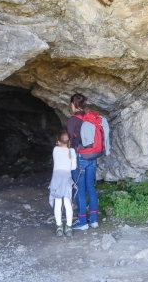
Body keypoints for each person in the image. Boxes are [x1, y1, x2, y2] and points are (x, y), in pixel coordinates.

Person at [67, 93, 99, 230]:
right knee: (90, 187)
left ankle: (82, 222)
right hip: (93, 157)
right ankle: (94, 220)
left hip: (80, 158)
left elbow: (69, 141)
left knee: (80, 189)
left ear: (72, 105)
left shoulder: (72, 120)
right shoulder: (90, 119)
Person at [48, 131, 76, 237]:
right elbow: (73, 167)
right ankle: (69, 227)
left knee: (58, 203)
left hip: (56, 179)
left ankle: (59, 226)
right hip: (67, 179)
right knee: (67, 203)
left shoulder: (55, 150)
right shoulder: (72, 151)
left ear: (59, 141)